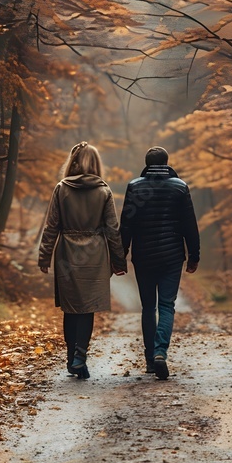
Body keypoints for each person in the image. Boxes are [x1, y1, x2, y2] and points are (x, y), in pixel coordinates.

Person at [38, 141, 126, 379]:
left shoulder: (61, 188)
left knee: (70, 307)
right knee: (87, 308)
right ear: (95, 163)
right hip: (95, 255)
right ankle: (80, 356)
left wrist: (45, 255)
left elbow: (51, 226)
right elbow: (112, 230)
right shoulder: (104, 191)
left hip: (67, 252)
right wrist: (119, 261)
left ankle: (70, 358)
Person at [120, 146, 200, 380]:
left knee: (148, 308)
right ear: (167, 162)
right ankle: (160, 353)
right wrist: (194, 255)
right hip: (172, 257)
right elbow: (189, 224)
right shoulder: (180, 187)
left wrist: (120, 256)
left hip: (143, 256)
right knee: (167, 306)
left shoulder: (135, 186)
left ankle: (149, 360)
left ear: (146, 163)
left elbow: (127, 224)